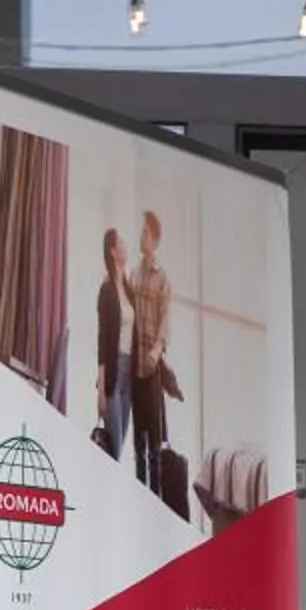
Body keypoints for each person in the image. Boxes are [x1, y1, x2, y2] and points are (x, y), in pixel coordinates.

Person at [127, 210, 179, 508]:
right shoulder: (133, 274)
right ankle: (138, 499)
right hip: (134, 364)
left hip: (151, 364)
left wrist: (155, 352)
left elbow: (165, 321)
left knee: (154, 438)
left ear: (155, 240)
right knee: (138, 441)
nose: (141, 237)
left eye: (146, 233)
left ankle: (156, 502)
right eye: (141, 231)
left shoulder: (163, 278)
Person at [90, 227, 131, 460]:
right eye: (121, 243)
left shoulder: (129, 290)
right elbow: (102, 339)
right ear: (113, 251)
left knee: (119, 446)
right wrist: (101, 389)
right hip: (114, 371)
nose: (126, 247)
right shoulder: (106, 290)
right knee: (113, 447)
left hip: (130, 374)